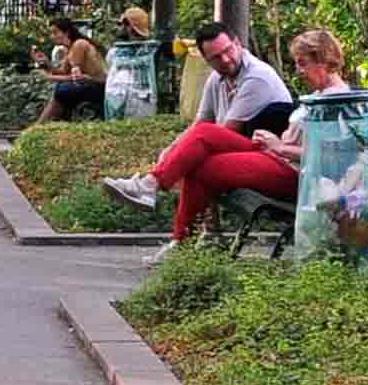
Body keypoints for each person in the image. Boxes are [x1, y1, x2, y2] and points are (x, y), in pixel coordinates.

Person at [101, 26, 349, 247]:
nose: (298, 71)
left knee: (203, 149)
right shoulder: (318, 96)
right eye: (297, 63)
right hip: (276, 158)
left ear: (323, 60)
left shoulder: (336, 100)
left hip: (296, 174)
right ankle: (173, 230)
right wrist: (174, 150)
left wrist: (280, 147)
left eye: (302, 63)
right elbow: (203, 124)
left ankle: (156, 197)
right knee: (202, 150)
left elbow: (328, 157)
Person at [36, 16, 107, 121]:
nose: (52, 36)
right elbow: (62, 72)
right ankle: (42, 124)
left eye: (55, 32)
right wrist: (47, 63)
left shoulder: (78, 45)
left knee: (62, 90)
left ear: (66, 33)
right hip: (90, 84)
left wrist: (49, 77)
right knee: (62, 89)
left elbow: (76, 78)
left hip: (98, 85)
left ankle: (41, 124)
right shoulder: (69, 49)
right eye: (51, 33)